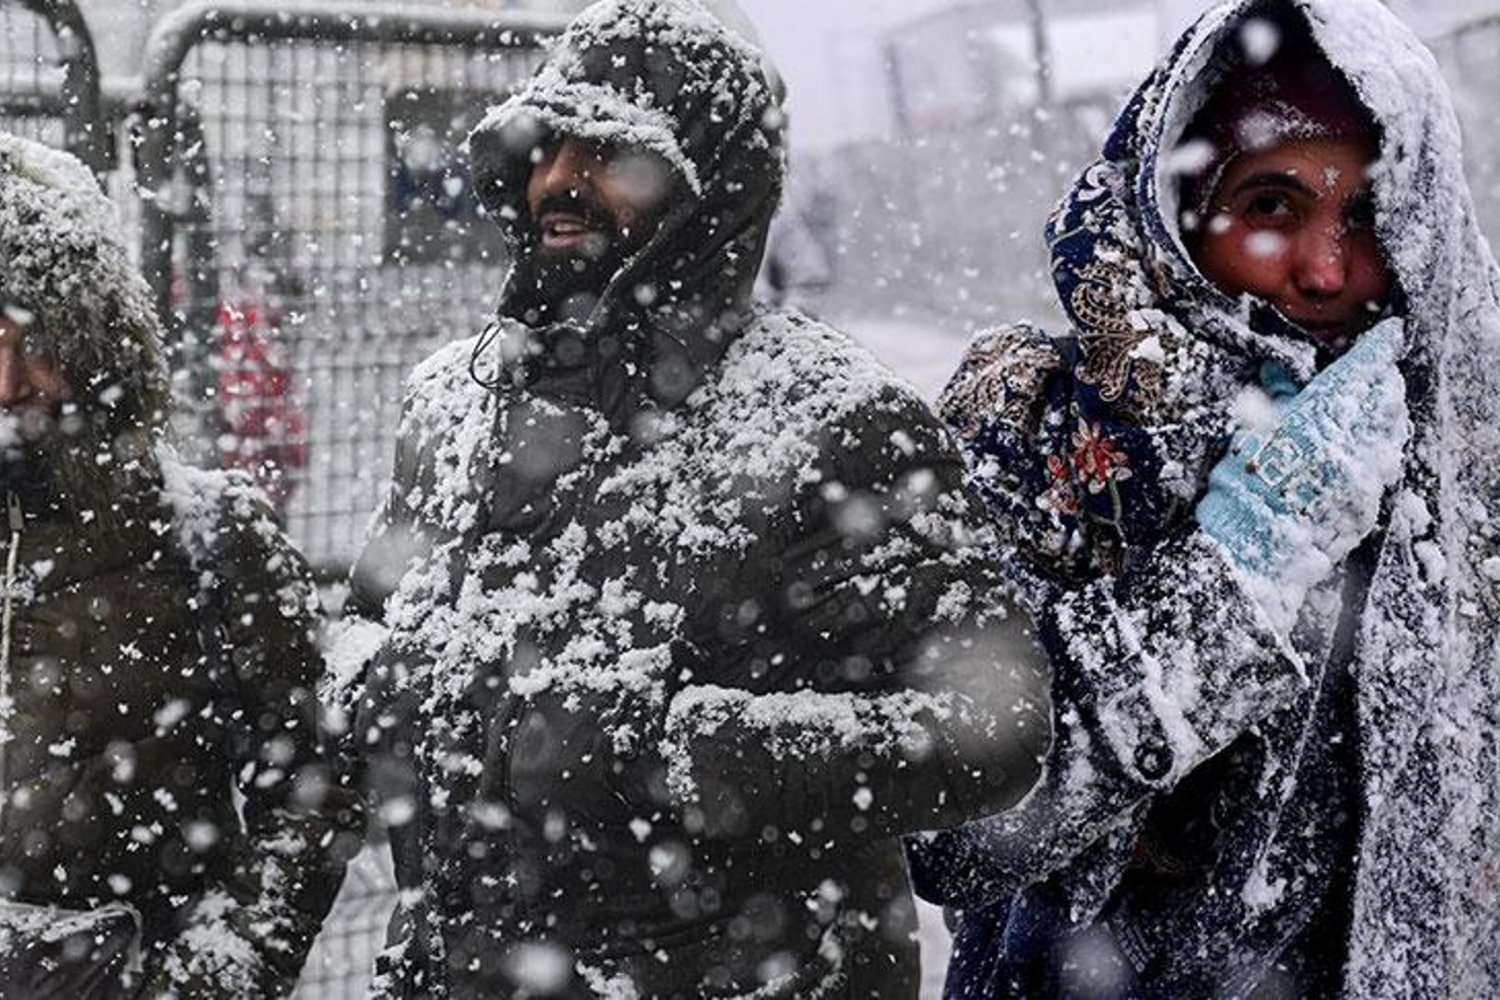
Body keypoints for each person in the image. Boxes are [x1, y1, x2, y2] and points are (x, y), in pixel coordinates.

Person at [343, 1, 1051, 996]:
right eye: (548, 144)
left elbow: (1001, 720)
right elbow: (372, 632)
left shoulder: (834, 422)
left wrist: (714, 759)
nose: (560, 179)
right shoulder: (453, 404)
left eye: (609, 151)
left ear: (710, 187)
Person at [908, 0, 1500, 996]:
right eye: (1271, 206)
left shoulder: (1466, 446)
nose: (1326, 269)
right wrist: (1239, 572)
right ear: (1178, 211)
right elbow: (955, 828)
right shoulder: (1031, 424)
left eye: (1367, 212)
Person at [0, 133, 360, 997]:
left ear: (97, 343)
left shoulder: (211, 537)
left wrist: (215, 980)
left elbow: (313, 793)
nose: (10, 381)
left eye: (37, 339)